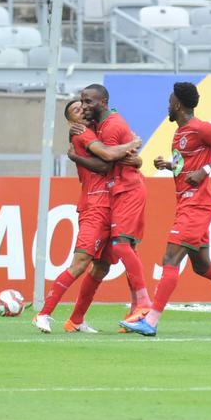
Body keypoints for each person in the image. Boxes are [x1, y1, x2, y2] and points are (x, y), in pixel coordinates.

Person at [120, 81, 211, 336]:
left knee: (170, 259)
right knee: (202, 266)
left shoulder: (202, 128)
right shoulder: (180, 133)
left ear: (177, 104)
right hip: (187, 202)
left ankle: (151, 322)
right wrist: (169, 165)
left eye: (169, 101)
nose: (167, 105)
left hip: (197, 204)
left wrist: (206, 170)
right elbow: (187, 164)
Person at [33, 99, 141, 334]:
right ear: (71, 121)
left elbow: (127, 158)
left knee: (101, 268)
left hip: (111, 204)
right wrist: (134, 143)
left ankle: (76, 320)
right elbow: (105, 162)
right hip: (94, 205)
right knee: (80, 263)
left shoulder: (100, 130)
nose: (81, 110)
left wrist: (135, 156)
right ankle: (43, 314)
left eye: (82, 106)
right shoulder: (82, 134)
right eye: (75, 110)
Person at [76, 83, 154, 326]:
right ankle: (133, 310)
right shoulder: (97, 126)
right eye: (80, 103)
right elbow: (129, 158)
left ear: (103, 102)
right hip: (115, 193)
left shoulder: (110, 126)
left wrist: (75, 156)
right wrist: (134, 151)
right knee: (111, 258)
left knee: (121, 247)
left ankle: (143, 304)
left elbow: (108, 161)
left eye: (88, 102)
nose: (84, 107)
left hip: (125, 190)